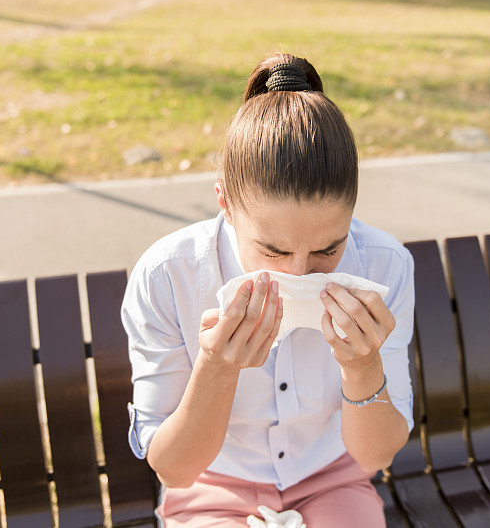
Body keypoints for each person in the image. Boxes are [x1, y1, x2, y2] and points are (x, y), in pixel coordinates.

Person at [122, 52, 415, 527]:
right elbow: (175, 469)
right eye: (273, 251)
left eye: (328, 249)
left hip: (332, 476)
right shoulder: (166, 276)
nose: (300, 274)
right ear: (225, 203)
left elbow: (376, 456)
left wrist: (362, 365)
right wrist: (217, 367)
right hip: (213, 485)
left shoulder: (386, 265)